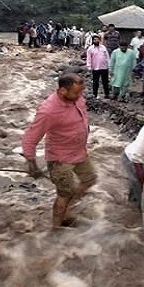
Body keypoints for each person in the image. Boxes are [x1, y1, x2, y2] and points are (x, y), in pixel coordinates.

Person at [22, 73, 96, 228]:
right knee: (64, 194)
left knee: (90, 179)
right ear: (62, 90)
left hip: (79, 152)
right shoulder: (48, 110)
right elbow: (31, 137)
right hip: (60, 160)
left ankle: (68, 206)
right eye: (76, 93)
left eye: (81, 92)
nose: (80, 96)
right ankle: (56, 227)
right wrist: (31, 163)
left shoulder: (77, 99)